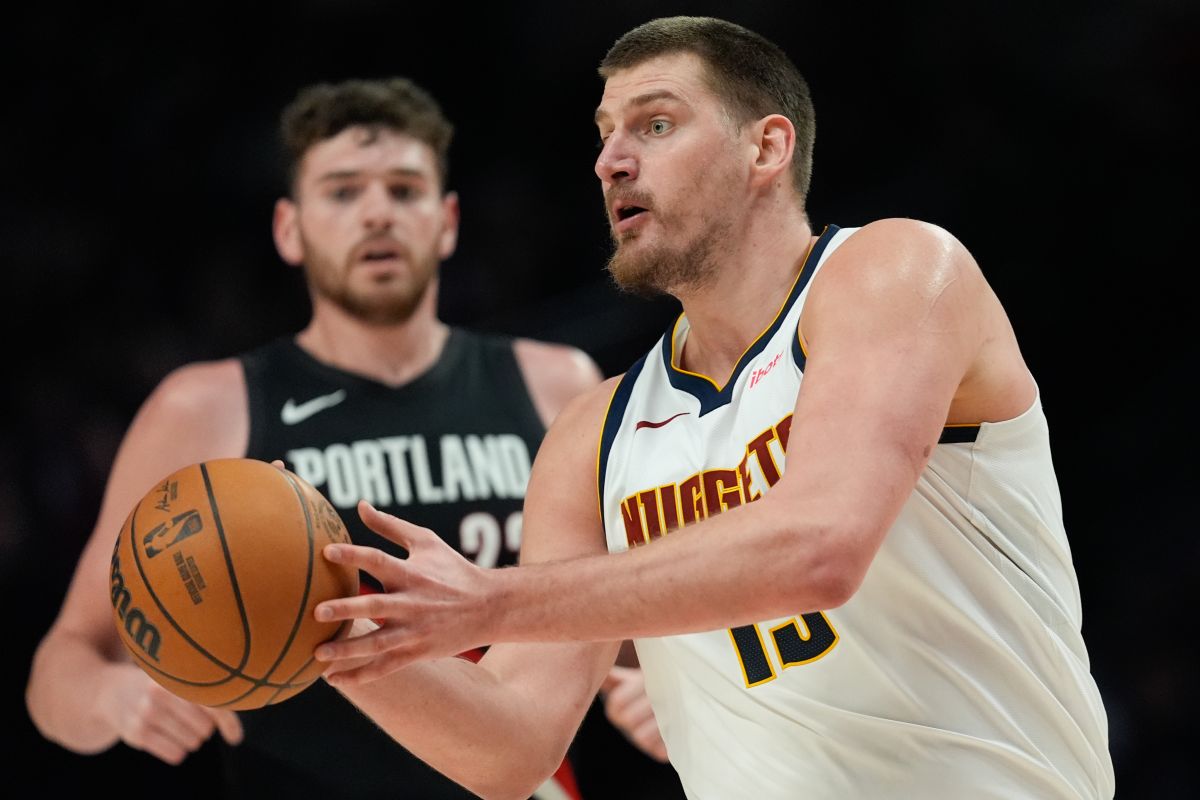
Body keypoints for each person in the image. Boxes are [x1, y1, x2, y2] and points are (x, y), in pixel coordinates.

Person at [302, 17, 1117, 800]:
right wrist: (328, 635)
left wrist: (494, 601)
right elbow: (513, 747)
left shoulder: (894, 270)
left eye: (654, 125)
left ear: (766, 147)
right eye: (603, 133)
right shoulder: (594, 435)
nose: (609, 161)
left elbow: (819, 549)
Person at [24, 77, 678, 800]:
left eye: (404, 190)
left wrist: (674, 681)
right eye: (341, 192)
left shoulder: (554, 383)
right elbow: (65, 662)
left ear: (448, 220)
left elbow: (619, 612)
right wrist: (111, 699)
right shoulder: (204, 408)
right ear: (288, 228)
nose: (377, 213)